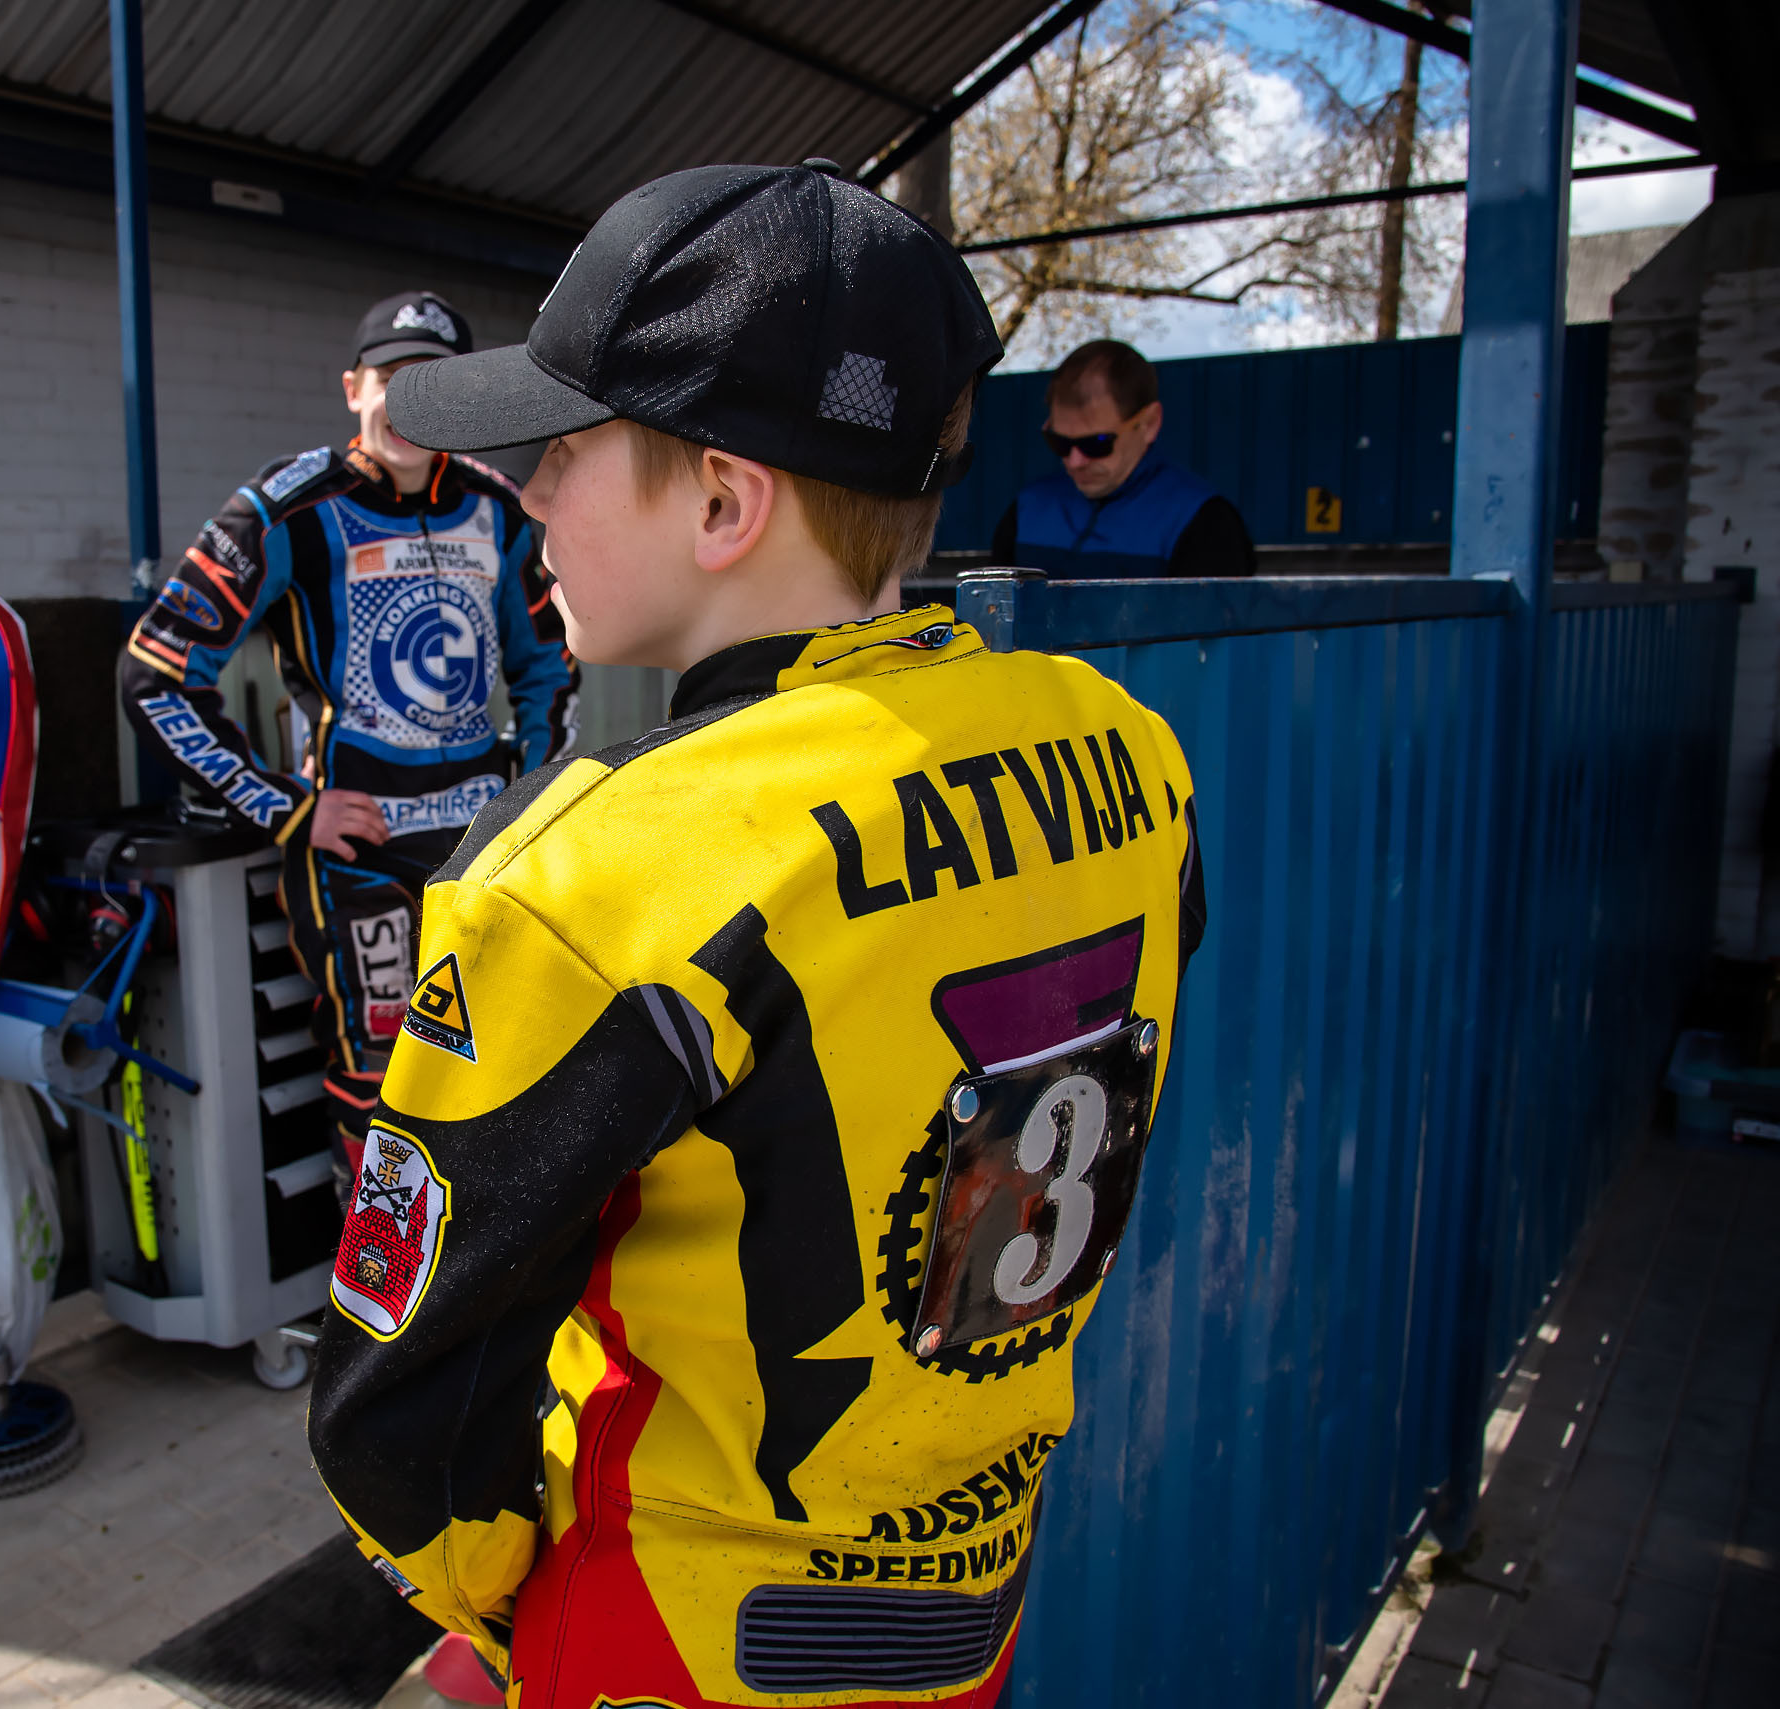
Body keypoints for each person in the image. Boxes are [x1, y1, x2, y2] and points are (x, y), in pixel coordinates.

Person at [307, 162, 1207, 1707]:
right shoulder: (1134, 756)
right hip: (964, 1614)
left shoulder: (590, 870)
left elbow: (393, 1414)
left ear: (726, 501)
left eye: (563, 450)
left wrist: (502, 1601)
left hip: (670, 1627)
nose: (521, 493)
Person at [118, 291, 577, 1193]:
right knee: (380, 1085)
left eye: (433, 383)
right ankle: (377, 1314)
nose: (408, 402)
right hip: (360, 861)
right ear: (352, 389)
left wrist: (535, 799)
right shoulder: (288, 508)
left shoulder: (504, 510)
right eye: (391, 379)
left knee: (505, 1065)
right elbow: (156, 670)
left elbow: (549, 668)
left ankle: (473, 1290)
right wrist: (290, 808)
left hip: (484, 854)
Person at [990, 338, 1256, 578]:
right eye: (1059, 442)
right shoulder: (1027, 510)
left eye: (1096, 444)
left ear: (1149, 423)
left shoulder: (1204, 523)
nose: (1075, 461)